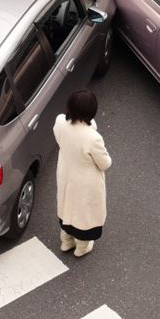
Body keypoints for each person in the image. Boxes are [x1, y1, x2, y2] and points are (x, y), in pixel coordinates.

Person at [53, 90, 112, 257]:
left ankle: (66, 241)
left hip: (66, 173)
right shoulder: (93, 138)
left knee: (66, 206)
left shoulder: (59, 122)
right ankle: (81, 247)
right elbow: (105, 163)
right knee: (84, 214)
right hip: (85, 182)